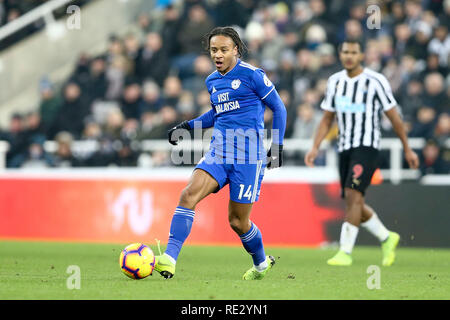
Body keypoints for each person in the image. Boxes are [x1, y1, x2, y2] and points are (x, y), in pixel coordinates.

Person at [154, 26, 287, 280]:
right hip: (219, 151)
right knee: (188, 194)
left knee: (238, 222)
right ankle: (169, 259)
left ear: (235, 50)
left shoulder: (252, 75)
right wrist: (187, 127)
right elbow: (217, 113)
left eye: (224, 50)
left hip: (249, 157)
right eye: (214, 50)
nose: (218, 55)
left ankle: (260, 264)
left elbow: (279, 108)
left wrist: (277, 147)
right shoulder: (212, 80)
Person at [304, 39, 419, 267]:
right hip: (344, 147)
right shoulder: (335, 82)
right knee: (351, 199)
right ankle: (387, 237)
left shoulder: (376, 81)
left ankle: (345, 252)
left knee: (353, 196)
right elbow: (327, 118)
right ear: (340, 54)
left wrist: (407, 147)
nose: (349, 56)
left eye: (353, 52)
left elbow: (394, 117)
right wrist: (315, 146)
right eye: (345, 51)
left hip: (366, 148)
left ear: (361, 55)